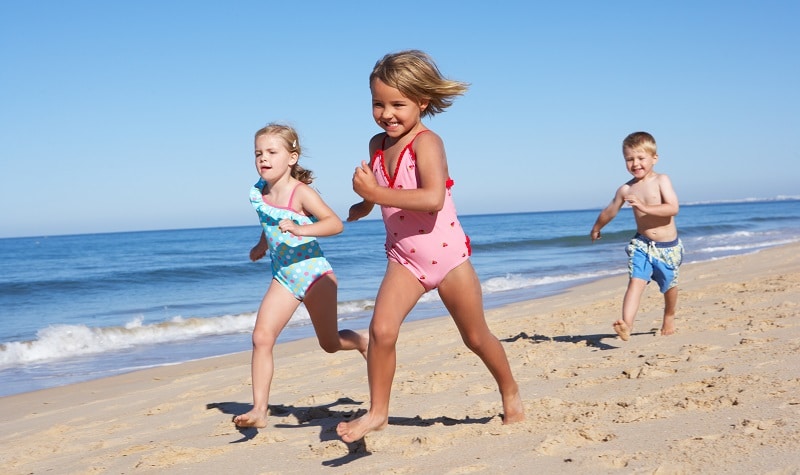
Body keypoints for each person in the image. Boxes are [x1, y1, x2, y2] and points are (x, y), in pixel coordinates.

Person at [336, 50, 525, 443]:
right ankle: (378, 412)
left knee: (475, 338)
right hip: (405, 258)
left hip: (449, 258)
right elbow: (383, 189)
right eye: (378, 103)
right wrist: (366, 202)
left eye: (397, 104)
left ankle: (509, 389)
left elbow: (433, 198)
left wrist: (376, 191)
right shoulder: (376, 143)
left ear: (422, 102)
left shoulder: (427, 143)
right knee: (382, 330)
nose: (387, 114)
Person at [234, 123, 368, 428]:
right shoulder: (259, 192)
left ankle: (363, 341)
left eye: (272, 152)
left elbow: (335, 224)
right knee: (261, 338)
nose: (263, 159)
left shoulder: (301, 193)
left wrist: (300, 228)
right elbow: (269, 223)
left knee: (330, 343)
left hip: (314, 276)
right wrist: (260, 245)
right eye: (258, 153)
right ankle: (258, 410)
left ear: (292, 157)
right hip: (282, 276)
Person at [590, 131, 683, 341]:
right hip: (642, 244)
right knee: (635, 281)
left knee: (669, 285)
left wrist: (644, 207)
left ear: (654, 158)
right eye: (629, 159)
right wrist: (597, 227)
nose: (635, 163)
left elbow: (672, 208)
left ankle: (669, 315)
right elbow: (610, 210)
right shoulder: (626, 189)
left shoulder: (662, 180)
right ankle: (627, 325)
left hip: (667, 247)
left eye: (641, 158)